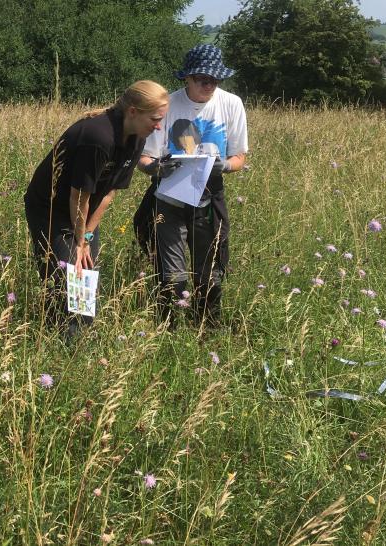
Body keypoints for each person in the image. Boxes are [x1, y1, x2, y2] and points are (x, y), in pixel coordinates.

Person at [24, 80, 170, 337]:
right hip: (50, 208)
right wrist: (79, 242)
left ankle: (76, 339)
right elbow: (77, 198)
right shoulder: (98, 137)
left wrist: (87, 236)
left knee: (84, 275)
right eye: (155, 118)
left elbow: (108, 193)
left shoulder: (136, 139)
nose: (159, 126)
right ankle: (59, 340)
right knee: (66, 275)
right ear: (133, 111)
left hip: (84, 211)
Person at [135, 44, 248, 329]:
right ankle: (168, 328)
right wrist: (155, 168)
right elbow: (144, 156)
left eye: (215, 80)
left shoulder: (231, 104)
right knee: (173, 275)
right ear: (187, 78)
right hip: (169, 199)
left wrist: (226, 166)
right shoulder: (167, 105)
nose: (209, 85)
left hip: (209, 198)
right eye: (202, 79)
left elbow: (240, 157)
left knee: (209, 272)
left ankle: (207, 327)